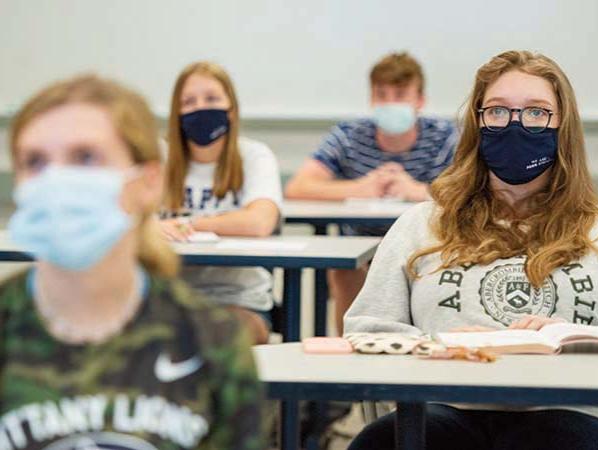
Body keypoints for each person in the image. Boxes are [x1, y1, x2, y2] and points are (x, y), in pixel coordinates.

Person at [345, 50, 598, 450]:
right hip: (443, 408)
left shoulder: (596, 229)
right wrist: (437, 346)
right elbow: (366, 331)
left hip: (567, 414)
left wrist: (569, 336)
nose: (516, 124)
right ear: (477, 123)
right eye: (498, 111)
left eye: (536, 112)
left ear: (562, 125)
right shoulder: (422, 223)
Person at [0, 75, 264, 450]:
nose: (57, 180)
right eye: (35, 161)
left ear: (149, 181)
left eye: (85, 157)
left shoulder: (212, 341)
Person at [285, 52, 458, 334]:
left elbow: (471, 190)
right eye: (381, 94)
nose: (390, 103)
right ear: (371, 99)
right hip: (361, 248)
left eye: (400, 94)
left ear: (420, 101)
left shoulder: (445, 136)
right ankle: (351, 346)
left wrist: (417, 190)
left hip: (425, 247)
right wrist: (359, 188)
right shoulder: (349, 135)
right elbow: (298, 187)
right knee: (343, 268)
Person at [160, 62, 282, 345]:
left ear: (232, 109)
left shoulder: (254, 155)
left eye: (212, 99)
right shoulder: (159, 157)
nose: (201, 108)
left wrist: (185, 223)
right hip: (168, 296)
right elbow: (120, 216)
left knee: (211, 334)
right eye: (189, 102)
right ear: (176, 113)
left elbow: (260, 222)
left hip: (239, 299)